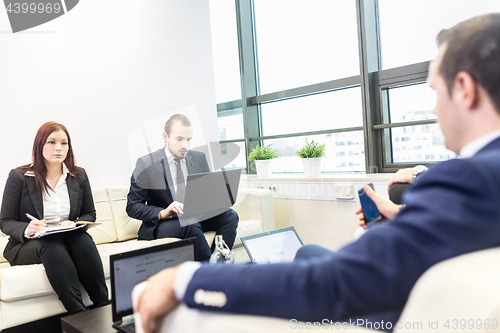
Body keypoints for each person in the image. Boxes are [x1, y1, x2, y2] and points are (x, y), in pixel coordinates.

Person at [136, 13, 500, 333]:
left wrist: (187, 280)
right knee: (308, 250)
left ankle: (213, 265)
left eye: (436, 91)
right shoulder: (478, 177)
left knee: (293, 254)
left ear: (465, 89)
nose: (434, 108)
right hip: (168, 220)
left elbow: (334, 285)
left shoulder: (467, 179)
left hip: (383, 307)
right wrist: (399, 219)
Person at [0, 122, 109, 315]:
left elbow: (89, 213)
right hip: (30, 244)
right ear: (39, 145)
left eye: (64, 143)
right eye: (51, 142)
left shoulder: (78, 175)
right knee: (51, 244)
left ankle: (104, 308)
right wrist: (28, 228)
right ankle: (79, 316)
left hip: (67, 237)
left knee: (83, 240)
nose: (59, 148)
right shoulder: (19, 176)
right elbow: (5, 221)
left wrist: (74, 223)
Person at [126, 114, 239, 261]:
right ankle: (210, 274)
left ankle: (217, 266)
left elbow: (205, 193)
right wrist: (162, 212)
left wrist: (216, 200)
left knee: (231, 215)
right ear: (165, 136)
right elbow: (132, 206)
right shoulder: (146, 164)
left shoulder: (199, 158)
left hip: (194, 216)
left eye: (189, 139)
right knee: (189, 223)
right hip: (164, 223)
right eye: (179, 139)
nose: (185, 145)